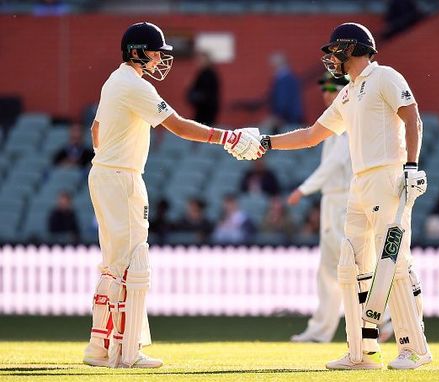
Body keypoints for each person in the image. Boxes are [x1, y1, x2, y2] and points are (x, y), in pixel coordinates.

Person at [231, 22, 431, 370]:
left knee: (394, 262)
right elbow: (312, 135)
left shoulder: (385, 77)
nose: (331, 58)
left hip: (388, 176)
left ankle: (414, 347)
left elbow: (412, 116)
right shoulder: (348, 92)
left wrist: (411, 166)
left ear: (352, 49)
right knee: (353, 264)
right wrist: (267, 142)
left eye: (336, 50)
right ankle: (362, 352)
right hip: (359, 183)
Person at [84, 21, 263, 369]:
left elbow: (96, 130)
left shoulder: (114, 80)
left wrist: (110, 161)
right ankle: (128, 351)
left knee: (113, 262)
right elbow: (178, 125)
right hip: (121, 178)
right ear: (137, 52)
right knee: (133, 263)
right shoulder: (134, 85)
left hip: (105, 174)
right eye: (154, 52)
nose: (159, 59)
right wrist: (228, 138)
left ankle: (100, 346)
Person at [288, 72, 352, 343]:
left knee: (350, 264)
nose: (326, 93)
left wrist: (304, 188)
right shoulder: (333, 121)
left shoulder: (349, 120)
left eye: (332, 88)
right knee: (328, 270)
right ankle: (320, 331)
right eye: (324, 88)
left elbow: (335, 163)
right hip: (332, 200)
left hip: (343, 200)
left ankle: (382, 319)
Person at [268, 52, 304, 131]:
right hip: (291, 117)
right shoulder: (290, 78)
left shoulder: (284, 79)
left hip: (288, 119)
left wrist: (279, 116)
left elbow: (283, 100)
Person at [186, 51, 220, 126]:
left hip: (207, 109)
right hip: (201, 109)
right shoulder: (202, 73)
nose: (199, 62)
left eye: (201, 60)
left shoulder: (210, 74)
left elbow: (208, 93)